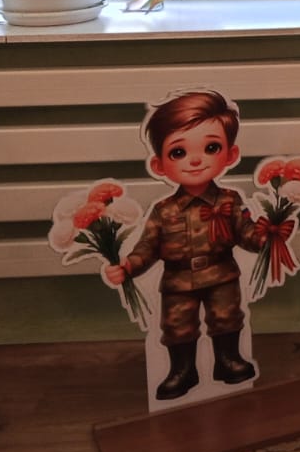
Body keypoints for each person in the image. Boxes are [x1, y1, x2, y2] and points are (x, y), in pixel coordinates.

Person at [103, 91, 273, 400]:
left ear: (230, 155)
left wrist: (266, 238)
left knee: (227, 317)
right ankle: (182, 370)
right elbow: (147, 247)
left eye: (211, 148)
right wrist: (128, 267)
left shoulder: (230, 201)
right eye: (178, 152)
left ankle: (227, 360)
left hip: (221, 274)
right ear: (158, 165)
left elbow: (245, 232)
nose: (195, 160)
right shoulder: (164, 210)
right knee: (177, 325)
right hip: (178, 282)